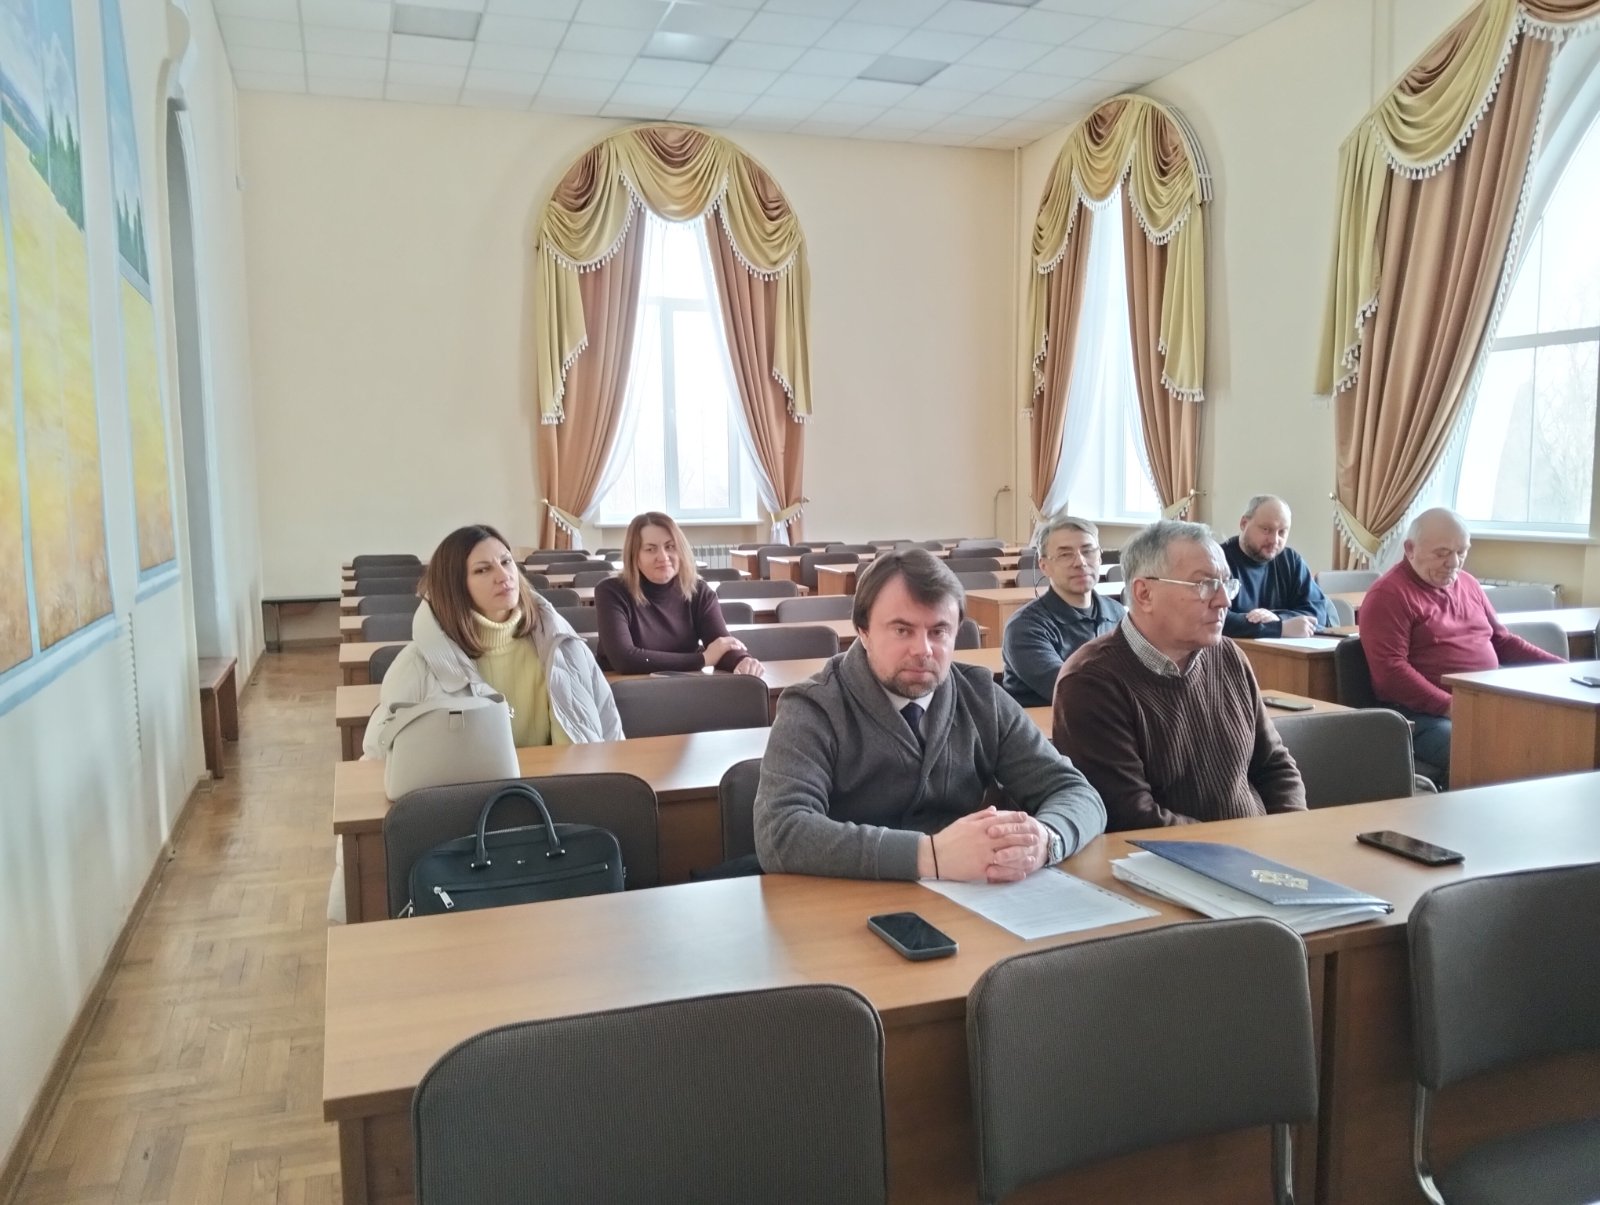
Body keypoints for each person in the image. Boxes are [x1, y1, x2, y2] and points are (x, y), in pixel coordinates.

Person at [754, 548, 1105, 881]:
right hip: (843, 898)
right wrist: (930, 855)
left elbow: (1076, 792)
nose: (923, 650)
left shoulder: (982, 697)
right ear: (863, 631)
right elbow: (780, 833)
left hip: (963, 896)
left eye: (939, 632)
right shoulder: (812, 707)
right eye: (902, 630)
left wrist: (1045, 840)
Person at [1054, 519, 1306, 830]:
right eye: (1205, 585)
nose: (1224, 601)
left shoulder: (1228, 655)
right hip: (1168, 855)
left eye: (1227, 584)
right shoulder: (1091, 682)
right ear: (1144, 594)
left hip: (1257, 843)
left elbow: (1275, 765)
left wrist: (1288, 833)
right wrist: (1235, 845)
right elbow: (1131, 815)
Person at [361, 523, 623, 757]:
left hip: (566, 789)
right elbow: (378, 754)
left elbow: (610, 731)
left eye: (506, 562)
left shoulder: (563, 645)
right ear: (455, 586)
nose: (503, 575)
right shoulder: (417, 665)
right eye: (483, 570)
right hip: (471, 795)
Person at [1358, 507, 1562, 780]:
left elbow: (1502, 642)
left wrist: (1564, 670)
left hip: (1483, 702)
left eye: (1462, 552)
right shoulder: (1389, 594)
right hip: (1423, 714)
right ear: (1410, 549)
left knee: (1553, 735)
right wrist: (1452, 705)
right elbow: (1390, 674)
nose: (1453, 562)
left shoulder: (1468, 584)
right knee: (1492, 750)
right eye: (1441, 553)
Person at [595, 512, 763, 676]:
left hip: (682, 688)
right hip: (626, 689)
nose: (663, 557)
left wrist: (742, 660)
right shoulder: (611, 591)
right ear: (634, 556)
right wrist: (703, 659)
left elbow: (720, 645)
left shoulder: (699, 591)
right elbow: (625, 659)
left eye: (670, 547)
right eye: (650, 549)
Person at [1001, 513, 1126, 706]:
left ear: (1100, 557)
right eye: (1065, 555)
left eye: (1088, 551)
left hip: (1109, 716)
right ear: (1044, 566)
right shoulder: (1025, 627)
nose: (1080, 562)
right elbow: (1070, 690)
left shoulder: (1117, 613)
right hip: (1047, 722)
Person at [1220, 495, 1335, 638]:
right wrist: (1278, 628)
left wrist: (1277, 618)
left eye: (1282, 532)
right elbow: (1216, 618)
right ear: (1244, 523)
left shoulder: (1291, 561)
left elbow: (1318, 612)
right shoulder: (1219, 561)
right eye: (1266, 529)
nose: (1274, 540)